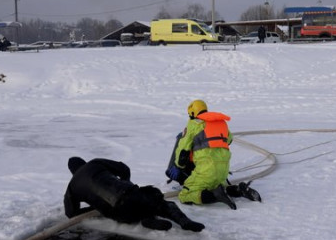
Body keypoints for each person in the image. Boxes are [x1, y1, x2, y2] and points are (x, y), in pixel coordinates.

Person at [64, 157, 204, 232]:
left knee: (130, 213)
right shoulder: (94, 163)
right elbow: (123, 168)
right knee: (158, 200)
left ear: (73, 172)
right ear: (84, 162)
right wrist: (126, 183)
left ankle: (146, 219)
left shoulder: (72, 187)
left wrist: (95, 208)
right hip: (130, 193)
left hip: (115, 212)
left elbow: (71, 213)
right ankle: (184, 222)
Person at [171, 99, 260, 210]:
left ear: (192, 113)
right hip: (223, 170)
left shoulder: (193, 124)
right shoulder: (221, 122)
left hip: (206, 171)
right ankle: (238, 190)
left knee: (185, 195)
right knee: (218, 185)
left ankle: (215, 196)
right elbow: (229, 140)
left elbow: (183, 152)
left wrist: (178, 167)